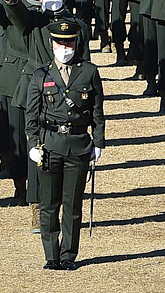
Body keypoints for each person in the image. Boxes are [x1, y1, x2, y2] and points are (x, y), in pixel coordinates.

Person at [26, 21, 105, 271]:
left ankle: (69, 254)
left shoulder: (89, 72)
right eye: (60, 43)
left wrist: (99, 142)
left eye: (69, 42)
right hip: (50, 146)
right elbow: (32, 114)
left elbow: (97, 111)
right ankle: (51, 255)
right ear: (52, 44)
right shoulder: (41, 74)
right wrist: (32, 143)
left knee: (73, 205)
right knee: (49, 204)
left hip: (79, 146)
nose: (65, 47)